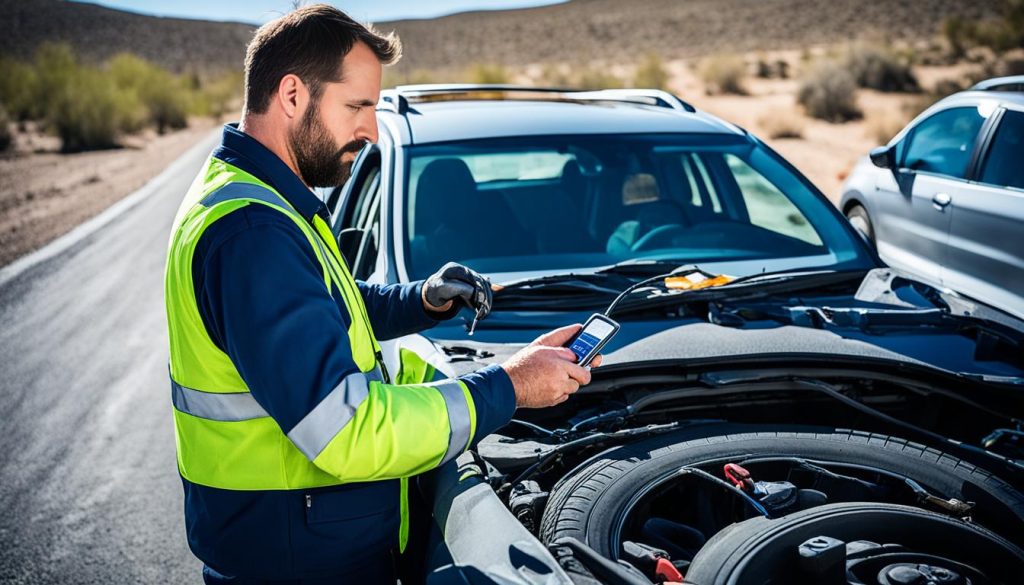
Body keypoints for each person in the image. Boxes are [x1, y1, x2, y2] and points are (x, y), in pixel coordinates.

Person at [163, 4, 600, 584]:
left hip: (295, 545)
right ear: (292, 95)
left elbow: (329, 307)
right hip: (299, 564)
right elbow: (346, 430)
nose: (371, 129)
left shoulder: (256, 199)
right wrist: (510, 386)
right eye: (358, 106)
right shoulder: (254, 232)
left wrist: (421, 299)